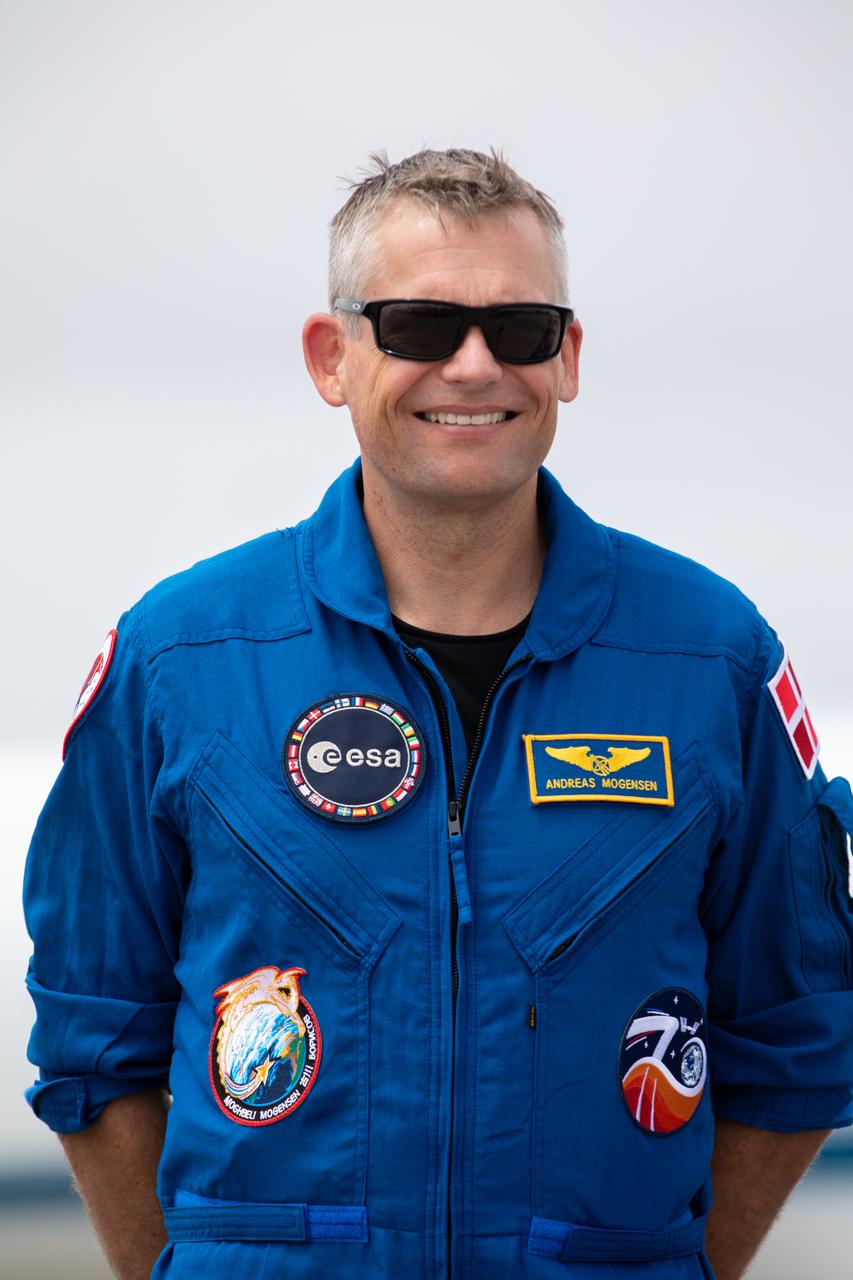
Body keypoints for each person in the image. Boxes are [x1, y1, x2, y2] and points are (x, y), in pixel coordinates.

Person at [23, 148, 853, 1280]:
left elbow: (799, 1030)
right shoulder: (181, 658)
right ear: (332, 356)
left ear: (566, 357)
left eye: (519, 328)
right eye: (419, 324)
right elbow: (92, 1036)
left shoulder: (710, 658)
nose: (473, 364)